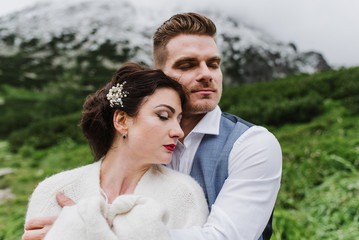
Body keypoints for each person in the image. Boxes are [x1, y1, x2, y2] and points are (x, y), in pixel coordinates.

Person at [24, 12, 282, 240]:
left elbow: (226, 238)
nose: (207, 74)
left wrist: (86, 229)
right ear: (161, 75)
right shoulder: (135, 147)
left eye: (213, 63)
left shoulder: (252, 144)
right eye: (188, 64)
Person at [22, 63, 209, 240]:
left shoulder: (185, 196)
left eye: (179, 119)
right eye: (163, 116)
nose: (178, 131)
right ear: (121, 120)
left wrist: (83, 229)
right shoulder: (54, 191)